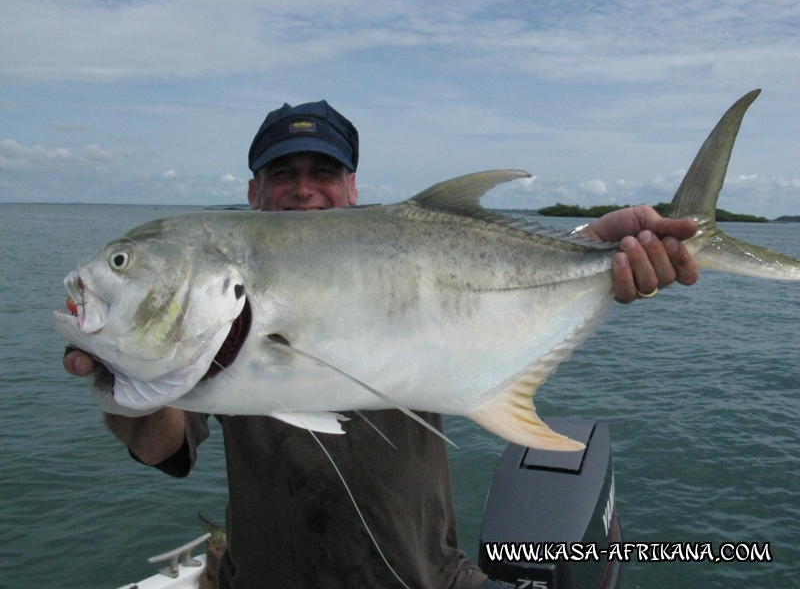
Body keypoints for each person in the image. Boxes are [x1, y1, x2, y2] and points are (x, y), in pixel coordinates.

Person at [64, 100, 699, 588]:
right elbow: (162, 448)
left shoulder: (398, 253)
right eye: (282, 173)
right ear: (254, 192)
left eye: (323, 171)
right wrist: (120, 382)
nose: (304, 188)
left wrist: (596, 252)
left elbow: (477, 276)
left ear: (353, 189)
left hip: (426, 576)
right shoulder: (216, 316)